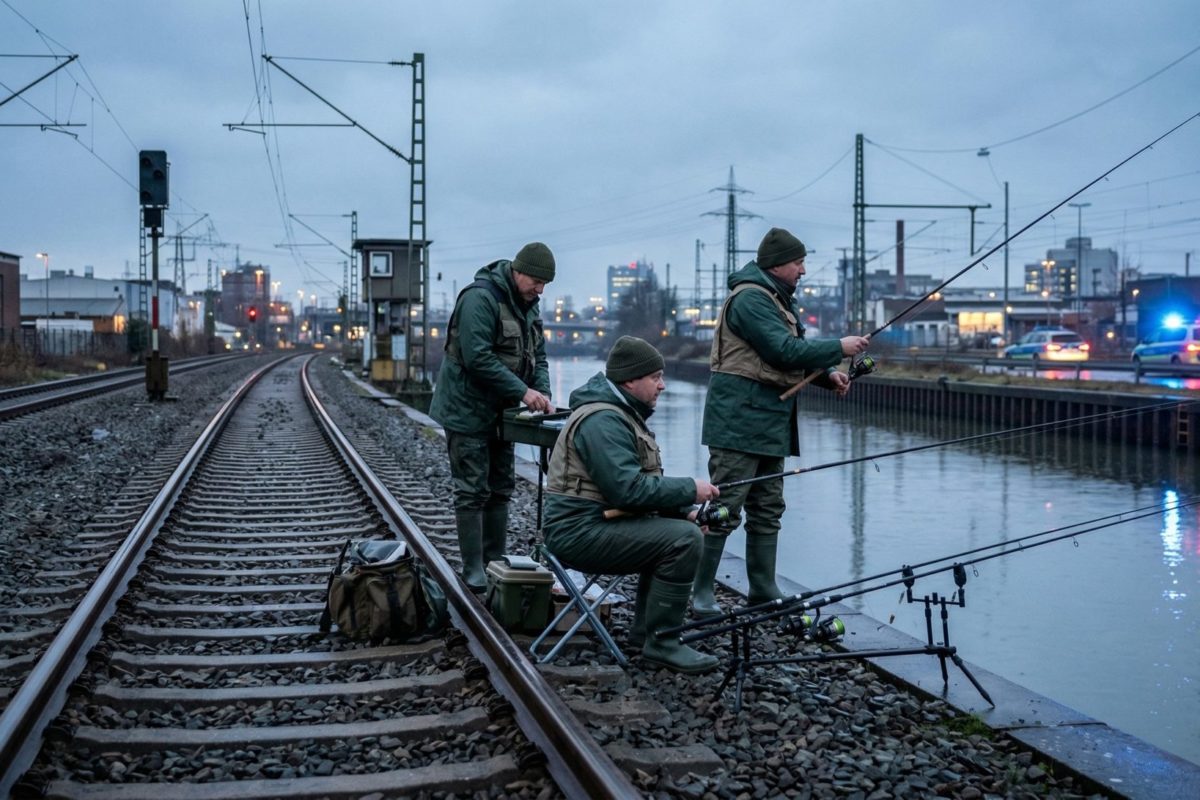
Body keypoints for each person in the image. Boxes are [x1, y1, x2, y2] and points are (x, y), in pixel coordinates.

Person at [693, 227, 870, 614]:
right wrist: (839, 348)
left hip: (769, 421)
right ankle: (700, 591)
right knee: (724, 509)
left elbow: (791, 353)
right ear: (777, 264)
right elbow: (782, 348)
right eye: (798, 262)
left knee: (768, 508)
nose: (803, 270)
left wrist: (828, 375)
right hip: (739, 422)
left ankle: (763, 589)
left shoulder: (776, 299)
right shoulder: (751, 300)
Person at [543, 336, 721, 674]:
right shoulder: (603, 421)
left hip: (595, 523)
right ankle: (662, 643)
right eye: (655, 377)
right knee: (684, 540)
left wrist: (685, 511)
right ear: (629, 380)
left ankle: (647, 634)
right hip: (577, 533)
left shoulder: (620, 415)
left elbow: (632, 491)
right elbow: (627, 490)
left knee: (683, 529)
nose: (662, 386)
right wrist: (689, 490)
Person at [429, 242, 556, 592]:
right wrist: (522, 392)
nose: (540, 289)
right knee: (472, 490)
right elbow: (477, 358)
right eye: (536, 281)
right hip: (467, 409)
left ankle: (494, 563)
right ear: (518, 271)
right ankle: (473, 570)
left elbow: (538, 357)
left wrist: (541, 391)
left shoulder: (529, 306)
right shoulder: (479, 299)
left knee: (501, 487)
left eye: (546, 284)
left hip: (503, 413)